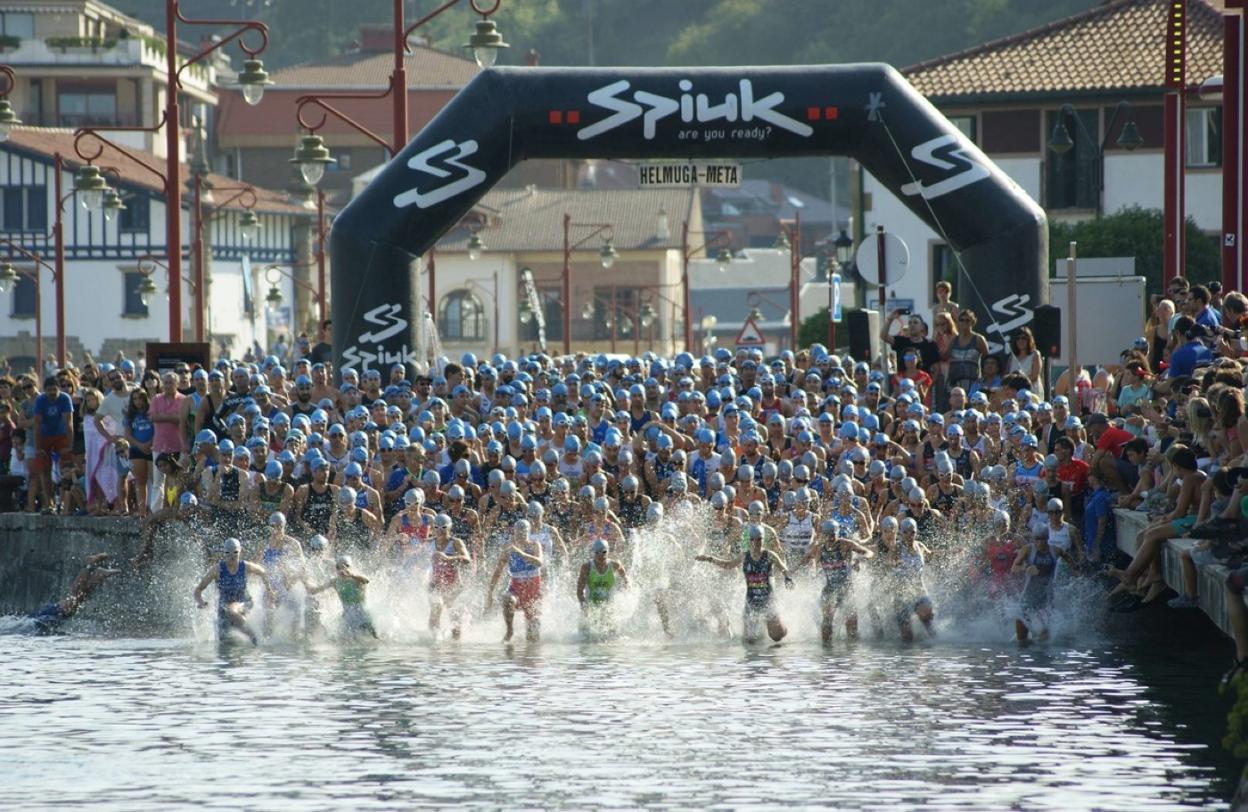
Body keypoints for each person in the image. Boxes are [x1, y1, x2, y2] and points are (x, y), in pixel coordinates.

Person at [696, 524, 792, 644]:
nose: (756, 542)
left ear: (763, 539)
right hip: (751, 601)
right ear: (749, 540)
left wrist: (788, 578)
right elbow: (728, 565)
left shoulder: (769, 555)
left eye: (759, 539)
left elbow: (783, 568)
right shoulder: (744, 556)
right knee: (749, 641)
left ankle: (779, 626)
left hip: (768, 600)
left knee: (777, 637)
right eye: (753, 539)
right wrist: (709, 558)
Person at [800, 518, 873, 643]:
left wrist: (859, 560)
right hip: (830, 589)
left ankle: (851, 651)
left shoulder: (845, 544)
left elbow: (869, 552)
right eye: (827, 535)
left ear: (837, 533)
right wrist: (789, 575)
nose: (830, 538)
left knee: (852, 628)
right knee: (827, 620)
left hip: (846, 589)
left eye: (832, 535)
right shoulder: (818, 548)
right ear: (823, 535)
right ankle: (826, 650)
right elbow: (802, 562)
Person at [193, 537, 266, 645]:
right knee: (224, 641)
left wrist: (269, 591)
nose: (232, 556)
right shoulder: (217, 569)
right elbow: (198, 589)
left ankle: (254, 638)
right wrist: (201, 602)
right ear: (224, 553)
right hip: (223, 607)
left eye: (235, 552)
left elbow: (263, 572)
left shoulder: (245, 566)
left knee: (232, 610)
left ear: (240, 551)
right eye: (228, 553)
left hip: (244, 602)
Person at [27, 553, 121, 634]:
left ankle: (89, 566)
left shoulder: (24, 625)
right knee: (78, 598)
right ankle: (98, 575)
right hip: (42, 617)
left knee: (73, 600)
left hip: (43, 616)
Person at [485, 519, 545, 642]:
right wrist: (490, 592)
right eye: (518, 531)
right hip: (516, 587)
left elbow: (539, 562)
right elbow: (498, 571)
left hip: (533, 590)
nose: (521, 534)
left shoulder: (534, 545)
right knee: (508, 599)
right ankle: (509, 630)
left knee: (532, 639)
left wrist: (521, 553)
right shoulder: (508, 548)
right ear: (514, 532)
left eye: (524, 532)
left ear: (528, 532)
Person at [306, 555, 379, 639]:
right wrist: (304, 579)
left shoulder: (357, 580)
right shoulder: (335, 581)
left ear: (350, 567)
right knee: (343, 642)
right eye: (338, 567)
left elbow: (366, 580)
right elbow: (314, 591)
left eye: (346, 566)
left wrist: (352, 575)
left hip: (363, 617)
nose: (342, 570)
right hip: (348, 618)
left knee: (375, 639)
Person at [32, 376, 75, 513]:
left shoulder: (65, 398)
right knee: (44, 469)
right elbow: (37, 424)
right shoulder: (40, 400)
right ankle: (48, 502)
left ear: (59, 389)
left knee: (66, 467)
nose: (51, 392)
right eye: (49, 390)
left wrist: (70, 445)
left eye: (54, 390)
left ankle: (65, 502)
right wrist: (39, 448)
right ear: (44, 390)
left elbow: (69, 423)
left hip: (61, 434)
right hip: (44, 435)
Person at [427, 513, 472, 638]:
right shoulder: (429, 543)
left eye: (443, 527)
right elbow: (417, 558)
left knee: (455, 620)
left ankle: (456, 645)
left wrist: (448, 558)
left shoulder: (456, 542)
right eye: (436, 527)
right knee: (436, 606)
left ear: (450, 527)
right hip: (435, 585)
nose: (440, 530)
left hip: (454, 585)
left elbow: (467, 559)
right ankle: (434, 639)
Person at [576, 538, 629, 639]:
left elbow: (626, 578)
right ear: (593, 553)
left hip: (608, 607)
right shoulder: (587, 567)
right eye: (597, 552)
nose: (600, 555)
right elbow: (579, 591)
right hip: (590, 605)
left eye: (603, 552)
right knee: (583, 638)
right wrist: (584, 606)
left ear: (608, 551)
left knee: (612, 638)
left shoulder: (615, 565)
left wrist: (627, 586)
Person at [1006, 327, 1045, 398]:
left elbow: (1035, 376)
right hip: (1014, 393)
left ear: (1029, 339)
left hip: (1032, 392)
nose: (1020, 341)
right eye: (1018, 339)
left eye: (1023, 338)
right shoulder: (1012, 357)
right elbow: (1008, 375)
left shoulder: (1035, 354)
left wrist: (1020, 385)